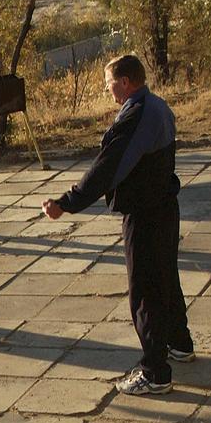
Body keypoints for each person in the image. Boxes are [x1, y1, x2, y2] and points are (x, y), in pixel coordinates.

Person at [42, 54, 194, 396]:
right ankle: (179, 342)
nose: (106, 88)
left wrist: (67, 203)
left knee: (145, 292)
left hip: (145, 214)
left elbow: (108, 168)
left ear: (125, 82)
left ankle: (155, 373)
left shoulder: (137, 115)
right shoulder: (158, 106)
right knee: (166, 277)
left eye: (109, 82)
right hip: (164, 206)